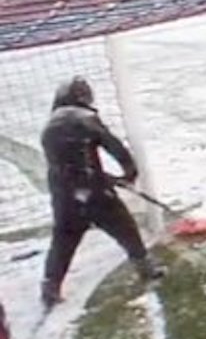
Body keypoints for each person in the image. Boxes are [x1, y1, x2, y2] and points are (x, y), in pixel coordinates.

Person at [39, 77, 164, 309]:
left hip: (65, 196)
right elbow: (114, 147)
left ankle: (50, 286)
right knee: (124, 227)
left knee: (63, 240)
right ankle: (145, 266)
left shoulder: (49, 126)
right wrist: (129, 173)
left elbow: (68, 163)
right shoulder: (85, 118)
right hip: (95, 193)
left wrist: (96, 175)